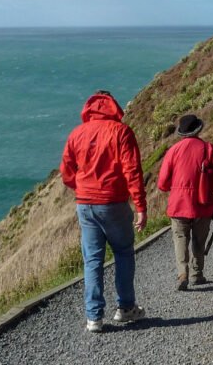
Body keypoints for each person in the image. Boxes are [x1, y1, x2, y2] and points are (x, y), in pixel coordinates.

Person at [60, 90, 148, 332]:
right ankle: (126, 308)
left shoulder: (76, 133)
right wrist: (140, 206)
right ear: (113, 107)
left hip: (85, 204)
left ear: (88, 109)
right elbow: (132, 171)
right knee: (123, 252)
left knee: (92, 260)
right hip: (113, 203)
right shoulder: (121, 132)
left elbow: (66, 171)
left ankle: (94, 317)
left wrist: (81, 188)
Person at [157, 114, 213, 291]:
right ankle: (197, 274)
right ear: (198, 129)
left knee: (180, 238)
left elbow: (163, 183)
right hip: (203, 203)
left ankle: (183, 273)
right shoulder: (208, 149)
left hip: (179, 203)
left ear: (181, 132)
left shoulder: (173, 151)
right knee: (198, 239)